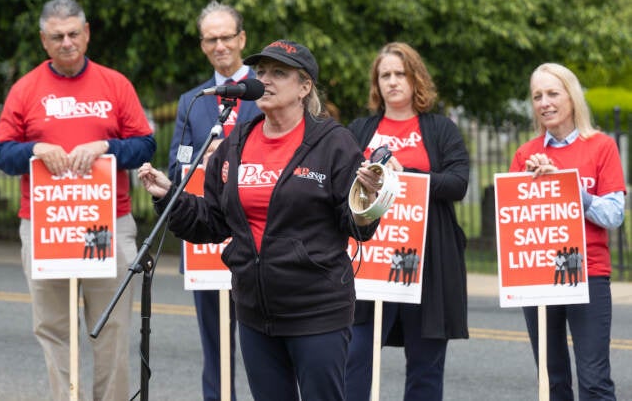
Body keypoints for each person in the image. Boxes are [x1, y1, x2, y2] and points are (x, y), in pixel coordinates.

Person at [139, 39, 382, 401]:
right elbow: (214, 222)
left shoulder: (334, 144)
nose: (265, 79)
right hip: (254, 312)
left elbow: (355, 225)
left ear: (304, 86)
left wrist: (368, 199)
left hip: (317, 312)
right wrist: (170, 196)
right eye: (261, 71)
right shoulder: (235, 144)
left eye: (279, 73)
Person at [0, 0, 156, 401]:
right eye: (56, 36)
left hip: (106, 223)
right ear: (44, 42)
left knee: (111, 328)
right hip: (48, 225)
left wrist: (107, 147)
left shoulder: (115, 84)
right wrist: (34, 150)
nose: (66, 42)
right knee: (54, 329)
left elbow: (145, 143)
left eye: (73, 34)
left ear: (87, 34)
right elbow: (0, 152)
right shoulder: (25, 88)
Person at [345, 41, 470, 401]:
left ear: (416, 79)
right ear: (376, 83)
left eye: (400, 73)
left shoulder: (440, 128)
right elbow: (337, 182)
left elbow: (458, 183)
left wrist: (409, 174)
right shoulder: (359, 129)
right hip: (370, 263)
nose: (393, 81)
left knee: (425, 367)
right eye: (385, 75)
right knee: (356, 359)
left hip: (428, 264)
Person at [510, 62, 625, 400]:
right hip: (537, 277)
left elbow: (614, 215)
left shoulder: (601, 146)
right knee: (552, 380)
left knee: (594, 381)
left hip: (587, 272)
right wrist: (528, 186)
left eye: (552, 93)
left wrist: (565, 184)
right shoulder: (525, 154)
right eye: (537, 96)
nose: (544, 102)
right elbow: (513, 220)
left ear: (571, 97)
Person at [167, 0, 262, 401]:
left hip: (261, 241)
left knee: (265, 347)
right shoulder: (193, 100)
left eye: (226, 37)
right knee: (215, 347)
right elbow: (176, 166)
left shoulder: (268, 90)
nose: (220, 45)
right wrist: (201, 160)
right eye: (211, 39)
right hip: (210, 243)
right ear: (203, 45)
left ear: (241, 39)